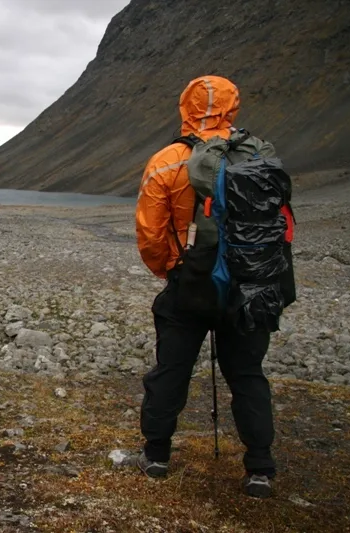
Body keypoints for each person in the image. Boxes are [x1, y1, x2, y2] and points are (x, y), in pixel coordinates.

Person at [134, 75, 278, 498]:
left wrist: (171, 271)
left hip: (190, 284)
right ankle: (259, 468)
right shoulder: (259, 157)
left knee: (171, 370)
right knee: (248, 374)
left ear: (185, 108)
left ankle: (157, 455)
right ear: (234, 109)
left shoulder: (167, 160)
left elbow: (150, 233)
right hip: (250, 284)